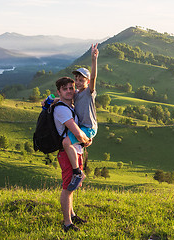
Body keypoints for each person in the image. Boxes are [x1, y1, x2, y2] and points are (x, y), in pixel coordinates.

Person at [53, 76, 92, 232]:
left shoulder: (68, 105)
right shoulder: (62, 109)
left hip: (74, 151)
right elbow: (76, 132)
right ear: (59, 91)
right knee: (68, 187)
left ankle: (72, 214)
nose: (69, 91)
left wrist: (51, 99)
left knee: (73, 185)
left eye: (71, 88)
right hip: (67, 153)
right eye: (65, 89)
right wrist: (86, 140)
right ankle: (67, 223)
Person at [62, 43, 99, 191]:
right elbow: (63, 97)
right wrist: (50, 100)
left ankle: (78, 173)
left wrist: (94, 59)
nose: (77, 82)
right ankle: (77, 172)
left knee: (66, 143)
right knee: (73, 147)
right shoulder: (76, 94)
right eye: (76, 79)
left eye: (81, 80)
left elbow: (95, 76)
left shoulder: (89, 92)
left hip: (89, 127)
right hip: (82, 127)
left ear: (87, 82)